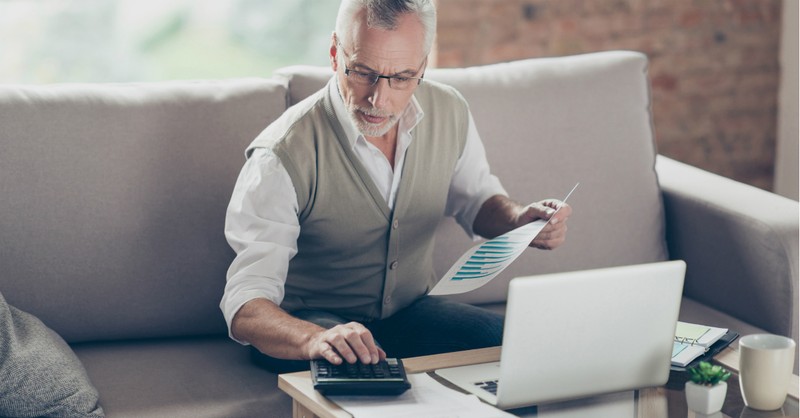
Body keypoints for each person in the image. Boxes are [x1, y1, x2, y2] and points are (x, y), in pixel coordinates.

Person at [220, 0, 572, 373]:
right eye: (362, 72)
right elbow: (245, 303)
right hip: (313, 322)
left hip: (411, 311)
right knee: (359, 374)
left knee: (520, 351)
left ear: (422, 66)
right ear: (335, 53)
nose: (379, 99)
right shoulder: (280, 155)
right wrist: (312, 338)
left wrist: (521, 220)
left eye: (402, 77)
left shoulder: (450, 111)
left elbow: (477, 201)